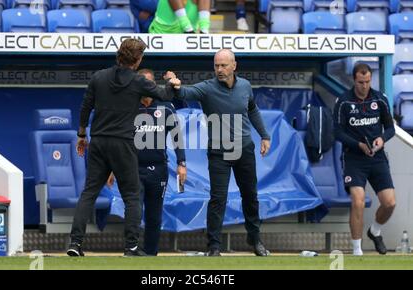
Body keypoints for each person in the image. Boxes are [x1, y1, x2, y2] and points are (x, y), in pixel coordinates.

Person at [66, 39, 181, 257]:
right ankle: (131, 247)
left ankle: (75, 243)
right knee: (131, 196)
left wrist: (82, 134)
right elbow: (166, 95)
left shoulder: (98, 77)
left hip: (99, 141)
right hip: (123, 143)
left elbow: (85, 107)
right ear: (137, 60)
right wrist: (171, 81)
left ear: (119, 55)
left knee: (89, 193)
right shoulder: (139, 81)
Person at [170, 49, 271, 256]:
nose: (219, 69)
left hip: (244, 150)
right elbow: (185, 93)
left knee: (250, 197)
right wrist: (177, 85)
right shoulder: (207, 88)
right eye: (216, 65)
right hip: (218, 153)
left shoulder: (245, 86)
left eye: (224, 65)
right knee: (218, 198)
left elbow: (252, 109)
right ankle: (213, 246)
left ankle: (255, 240)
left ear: (234, 66)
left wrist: (265, 135)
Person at [107, 69, 187, 256]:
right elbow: (117, 139)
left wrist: (182, 163)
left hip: (158, 169)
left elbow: (177, 138)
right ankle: (131, 248)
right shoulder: (127, 107)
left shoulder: (165, 107)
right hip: (131, 168)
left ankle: (151, 253)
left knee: (154, 214)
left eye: (149, 83)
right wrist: (111, 166)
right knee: (134, 210)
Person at [333, 63, 396, 256]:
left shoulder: (380, 99)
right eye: (361, 82)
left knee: (390, 203)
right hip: (354, 159)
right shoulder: (343, 102)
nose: (364, 86)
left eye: (368, 81)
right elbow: (337, 132)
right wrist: (357, 144)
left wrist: (381, 139)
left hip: (377, 157)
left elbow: (390, 128)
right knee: (358, 201)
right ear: (354, 80)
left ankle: (374, 231)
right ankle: (357, 251)